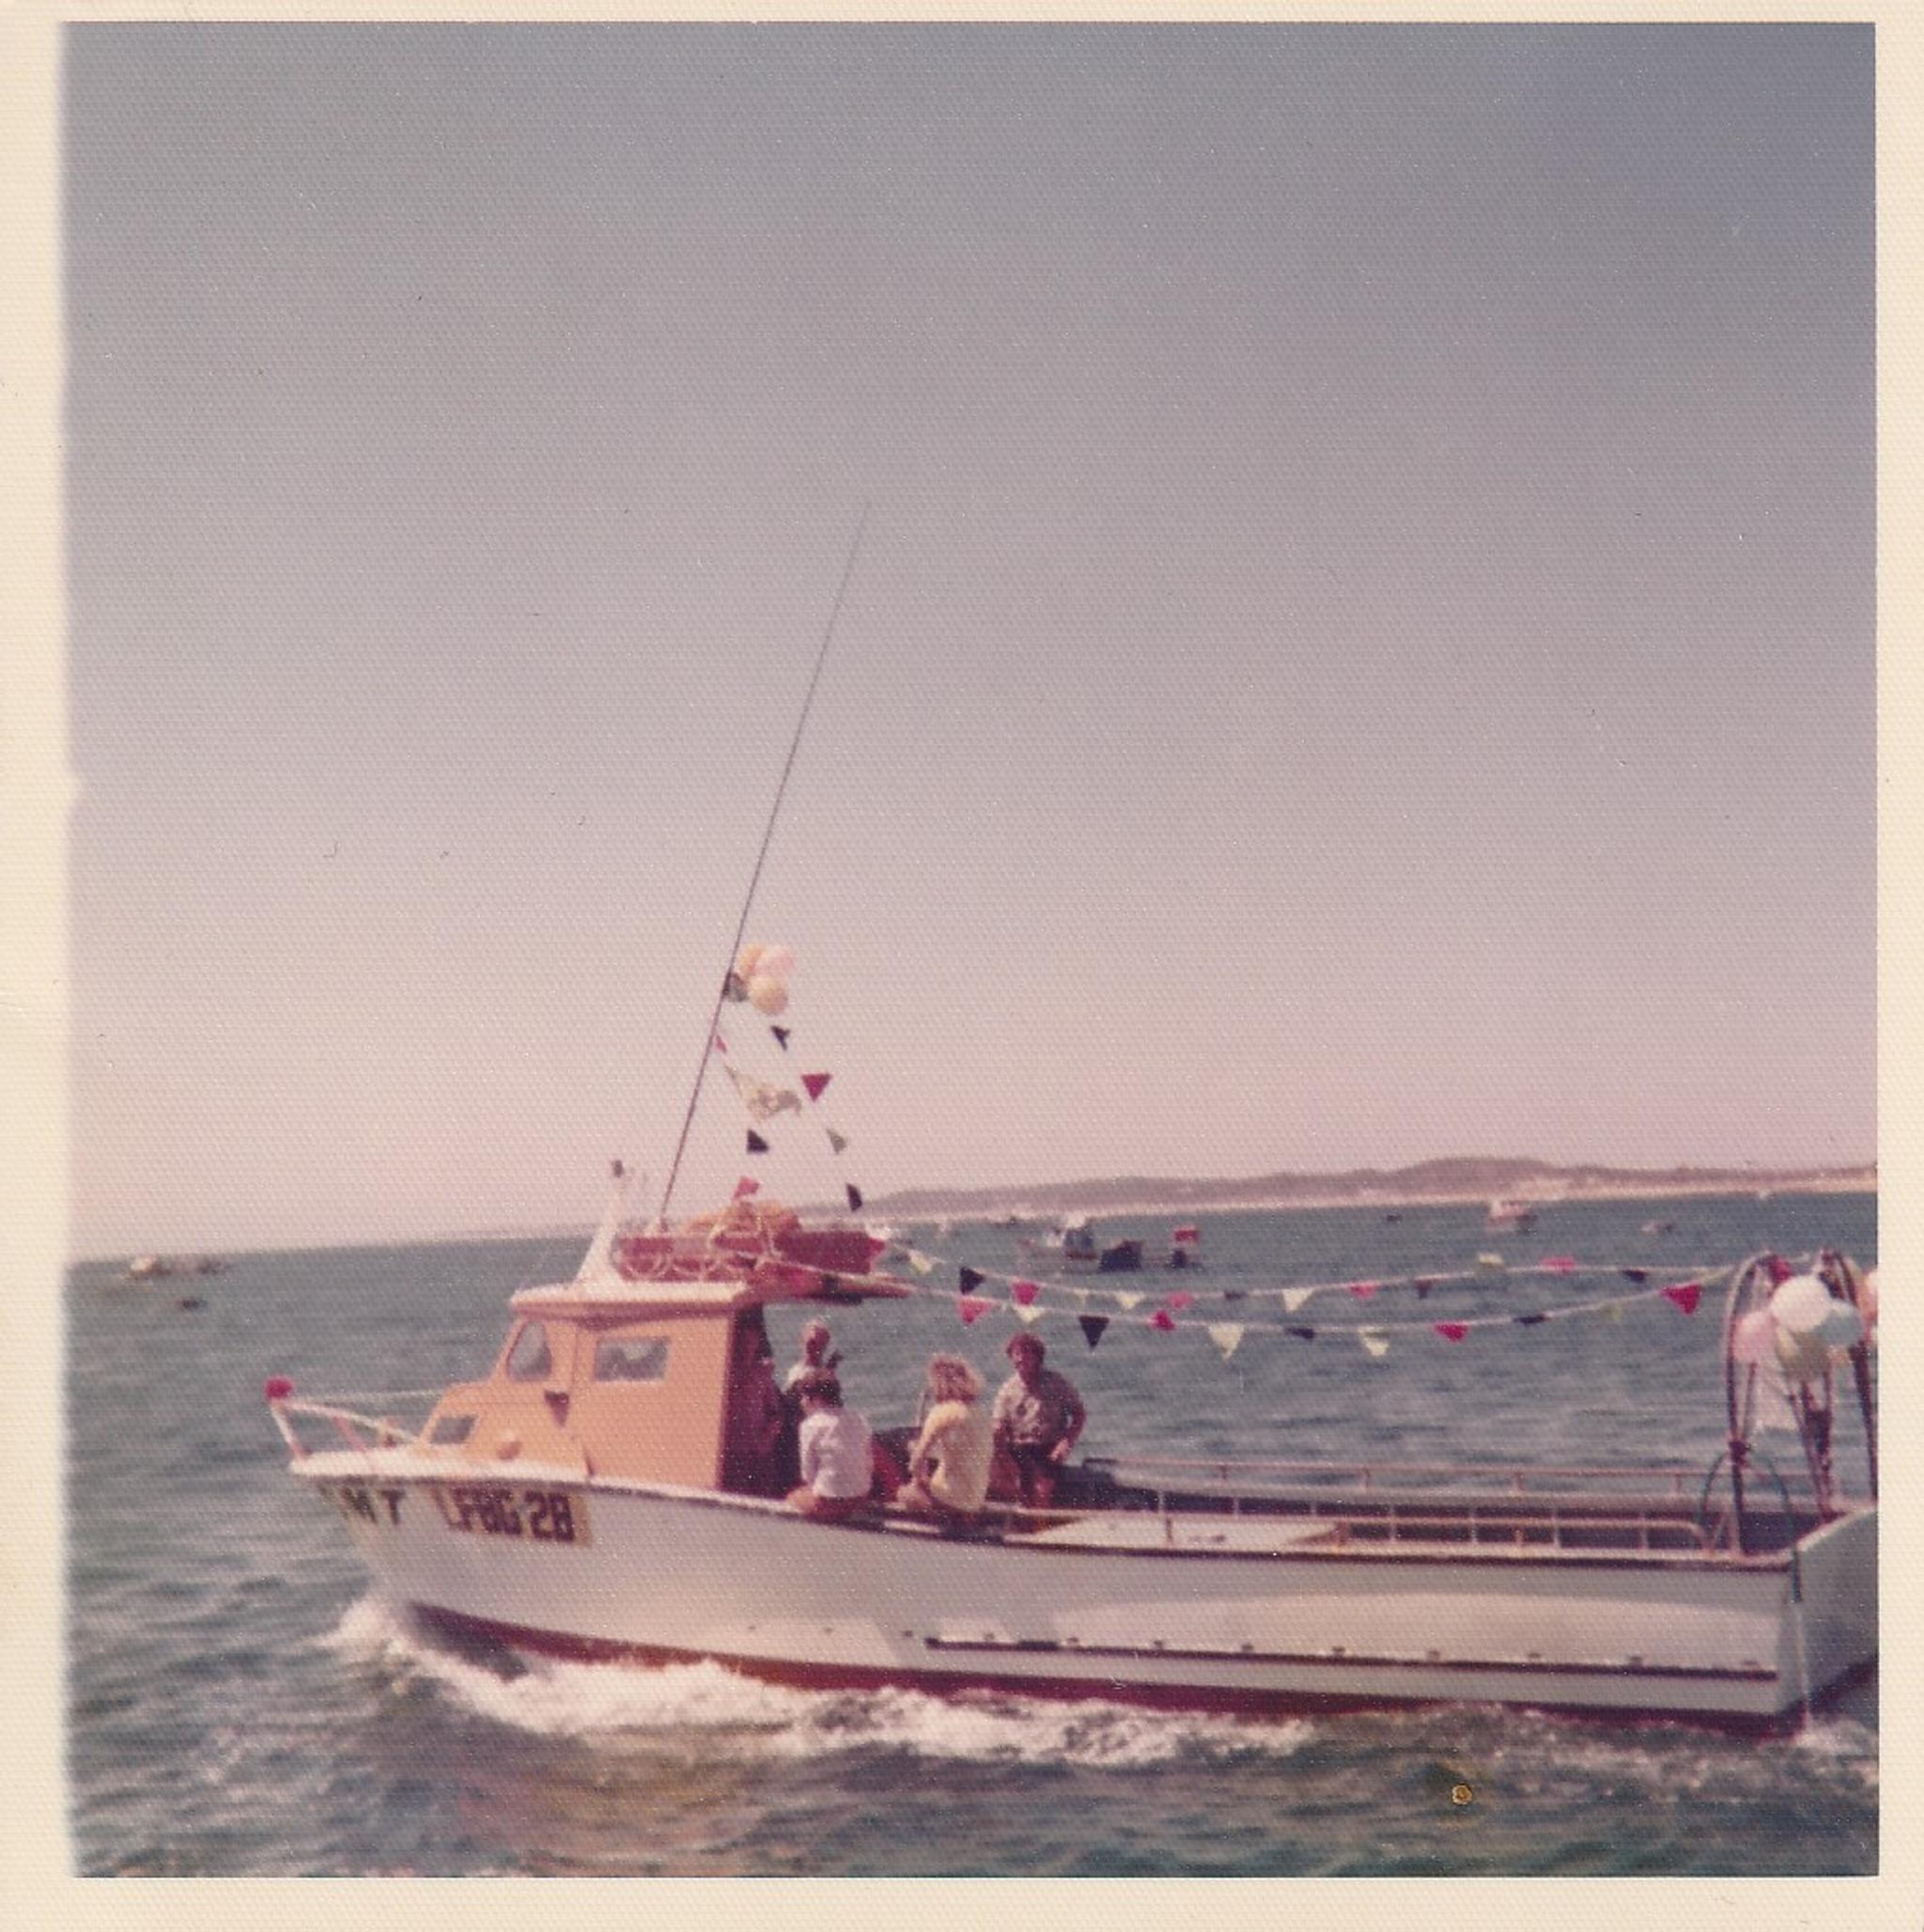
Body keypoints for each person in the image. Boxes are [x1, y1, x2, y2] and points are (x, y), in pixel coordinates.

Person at [893, 1354, 992, 1521]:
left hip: (951, 1497)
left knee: (903, 1493)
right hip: (976, 1497)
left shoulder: (941, 1412)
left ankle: (935, 1523)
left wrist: (918, 1472)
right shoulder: (981, 1412)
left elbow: (915, 1464)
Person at [992, 1332, 1086, 1508]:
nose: (1020, 1359)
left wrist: (1066, 1443)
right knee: (1002, 1482)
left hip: (1048, 1448)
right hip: (1018, 1448)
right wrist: (1004, 1458)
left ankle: (1038, 1529)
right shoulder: (1007, 1390)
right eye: (1016, 1354)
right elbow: (998, 1427)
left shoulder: (1056, 1382)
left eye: (1026, 1353)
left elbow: (1079, 1414)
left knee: (1041, 1491)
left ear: (1037, 1357)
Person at [784, 1370, 876, 1521]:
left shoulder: (809, 1425)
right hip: (860, 1497)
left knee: (792, 1497)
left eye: (804, 1397)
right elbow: (869, 1464)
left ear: (817, 1398)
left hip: (828, 1502)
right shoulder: (859, 1419)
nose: (801, 1402)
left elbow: (807, 1474)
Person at [722, 1310, 786, 1496]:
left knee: (764, 1495)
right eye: (743, 1343)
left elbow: (776, 1413)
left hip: (759, 1449)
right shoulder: (725, 1373)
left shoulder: (762, 1376)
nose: (747, 1348)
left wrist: (767, 1437)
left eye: (751, 1342)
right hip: (733, 1450)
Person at [784, 1319, 840, 1395]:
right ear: (803, 1341)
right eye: (811, 1342)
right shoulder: (795, 1372)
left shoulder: (827, 1376)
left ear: (825, 1346)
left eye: (820, 1343)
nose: (815, 1347)